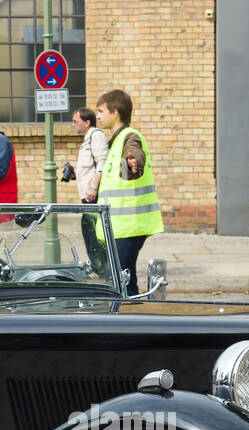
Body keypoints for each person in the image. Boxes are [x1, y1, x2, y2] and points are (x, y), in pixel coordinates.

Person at [93, 89, 164, 296]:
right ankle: (133, 319)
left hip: (130, 225)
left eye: (100, 111)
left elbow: (134, 158)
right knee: (124, 279)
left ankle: (131, 320)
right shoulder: (116, 140)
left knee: (121, 281)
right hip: (122, 226)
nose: (97, 115)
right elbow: (122, 173)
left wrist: (133, 163)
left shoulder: (129, 137)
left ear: (114, 113)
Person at [65, 106, 111, 273]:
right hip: (87, 196)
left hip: (93, 196)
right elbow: (90, 168)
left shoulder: (96, 136)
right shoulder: (88, 138)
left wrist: (93, 187)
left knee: (94, 234)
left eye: (76, 121)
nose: (73, 124)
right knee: (88, 232)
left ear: (87, 122)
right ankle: (98, 267)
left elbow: (102, 163)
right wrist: (74, 175)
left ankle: (102, 269)